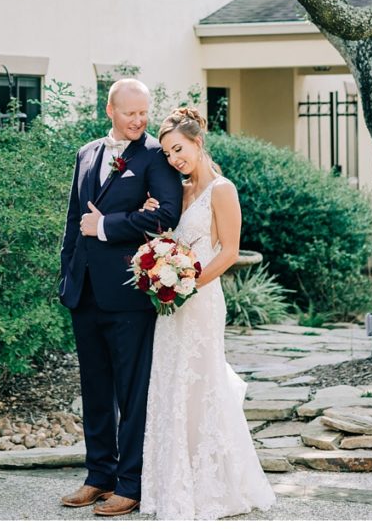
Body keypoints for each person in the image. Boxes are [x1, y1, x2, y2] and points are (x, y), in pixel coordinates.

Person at [139, 106, 276, 520]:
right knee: (171, 383)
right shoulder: (177, 193)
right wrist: (154, 237)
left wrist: (187, 284)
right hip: (171, 304)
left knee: (201, 382)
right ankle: (173, 486)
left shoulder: (223, 189)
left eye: (178, 149)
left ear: (198, 143)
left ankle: (214, 487)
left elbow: (230, 252)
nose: (174, 159)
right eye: (167, 154)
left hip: (200, 299)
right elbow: (169, 242)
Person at [59, 78, 182, 516]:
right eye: (130, 112)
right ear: (110, 110)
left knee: (132, 393)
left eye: (144, 112)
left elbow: (168, 215)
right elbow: (75, 220)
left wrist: (108, 226)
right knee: (95, 388)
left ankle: (130, 484)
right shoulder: (87, 153)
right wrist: (66, 277)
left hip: (130, 294)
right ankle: (99, 476)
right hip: (85, 291)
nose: (139, 119)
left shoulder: (154, 157)